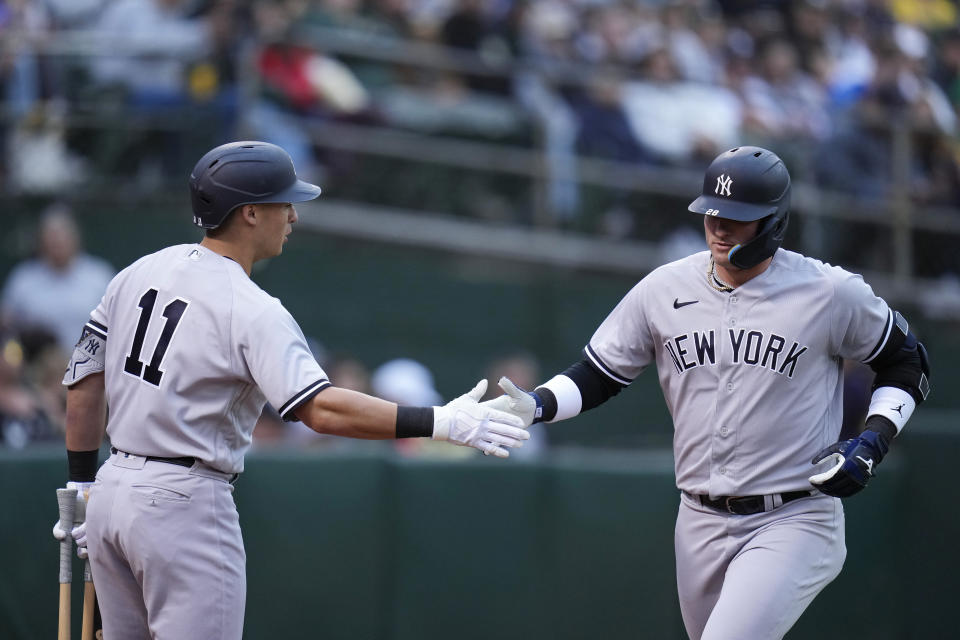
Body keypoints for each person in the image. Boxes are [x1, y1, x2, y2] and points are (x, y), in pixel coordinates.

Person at [50, 140, 529, 640]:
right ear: (250, 213)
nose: (294, 216)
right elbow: (320, 410)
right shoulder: (253, 308)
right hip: (183, 504)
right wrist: (441, 421)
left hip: (111, 492)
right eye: (285, 202)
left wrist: (84, 482)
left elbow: (83, 380)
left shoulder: (137, 271)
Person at [483, 146, 931, 640]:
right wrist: (540, 403)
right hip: (697, 518)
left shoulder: (829, 291)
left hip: (793, 515)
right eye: (712, 214)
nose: (719, 228)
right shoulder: (664, 287)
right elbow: (599, 373)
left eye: (738, 219)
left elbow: (906, 362)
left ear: (774, 223)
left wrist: (872, 441)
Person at [0, 203, 115, 353]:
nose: (57, 241)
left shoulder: (99, 275)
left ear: (75, 237)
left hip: (92, 365)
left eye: (62, 234)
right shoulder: (24, 278)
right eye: (51, 236)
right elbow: (6, 323)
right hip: (36, 369)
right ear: (41, 240)